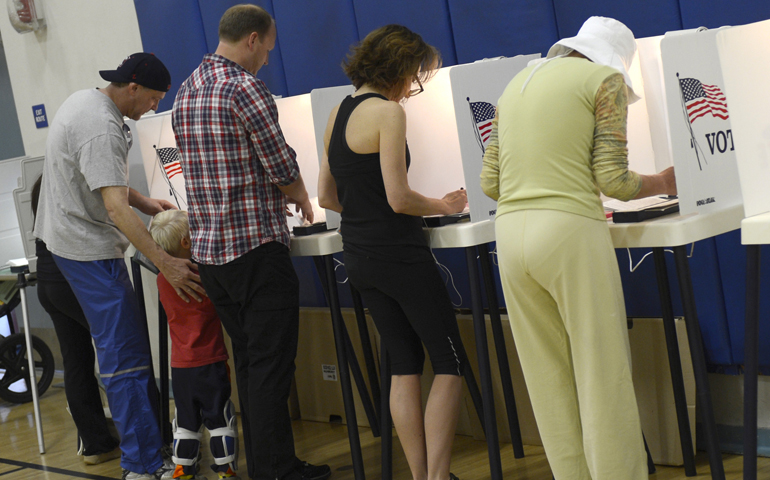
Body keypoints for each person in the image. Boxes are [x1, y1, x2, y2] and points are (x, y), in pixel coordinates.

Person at [480, 16, 677, 480]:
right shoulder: (602, 80)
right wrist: (664, 182)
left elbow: (491, 182)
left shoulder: (515, 84)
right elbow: (615, 180)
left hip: (509, 236)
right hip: (569, 234)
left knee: (547, 377)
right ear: (614, 59)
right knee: (601, 369)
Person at [171, 5, 329, 480]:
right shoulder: (244, 87)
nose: (266, 61)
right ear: (253, 40)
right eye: (267, 51)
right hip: (256, 251)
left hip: (212, 256)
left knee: (251, 364)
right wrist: (302, 197)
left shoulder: (187, 89)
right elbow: (279, 163)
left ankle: (271, 464)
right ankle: (276, 470)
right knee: (271, 369)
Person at [34, 52, 207, 480]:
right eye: (152, 98)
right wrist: (165, 261)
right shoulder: (101, 128)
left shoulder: (84, 102)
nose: (153, 107)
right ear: (133, 87)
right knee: (127, 360)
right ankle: (143, 465)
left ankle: (143, 454)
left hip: (63, 247)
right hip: (87, 252)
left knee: (111, 357)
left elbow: (104, 183)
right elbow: (113, 208)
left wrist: (146, 201)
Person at [317, 25, 469, 480]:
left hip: (359, 257)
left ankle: (421, 475)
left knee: (403, 365)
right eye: (415, 77)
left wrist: (365, 213)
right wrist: (442, 205)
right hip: (399, 255)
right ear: (399, 68)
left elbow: (326, 196)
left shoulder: (336, 112)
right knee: (450, 364)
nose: (412, 88)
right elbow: (399, 198)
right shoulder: (387, 113)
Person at [31, 176, 121, 466]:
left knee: (76, 362)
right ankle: (150, 437)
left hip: (48, 279)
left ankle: (95, 444)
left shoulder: (41, 184)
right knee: (123, 351)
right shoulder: (66, 183)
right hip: (72, 276)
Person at [149, 210, 238, 480]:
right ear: (188, 242)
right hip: (211, 361)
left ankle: (182, 470)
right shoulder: (204, 276)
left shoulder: (162, 280)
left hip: (181, 366)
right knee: (221, 418)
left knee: (185, 423)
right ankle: (226, 470)